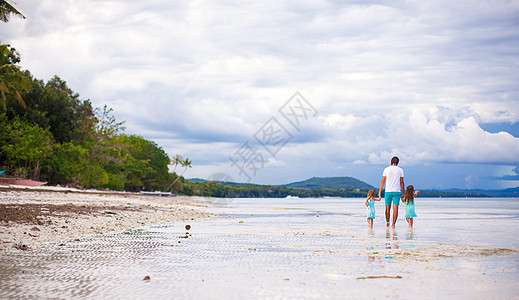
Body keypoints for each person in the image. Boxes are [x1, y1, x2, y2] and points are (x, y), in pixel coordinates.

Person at [378, 156, 404, 228]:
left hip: (388, 191)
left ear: (391, 161)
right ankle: (393, 224)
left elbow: (383, 181)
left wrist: (380, 191)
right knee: (395, 208)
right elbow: (402, 182)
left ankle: (387, 222)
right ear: (397, 162)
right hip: (397, 191)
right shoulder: (400, 170)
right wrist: (403, 192)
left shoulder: (386, 169)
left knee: (387, 208)